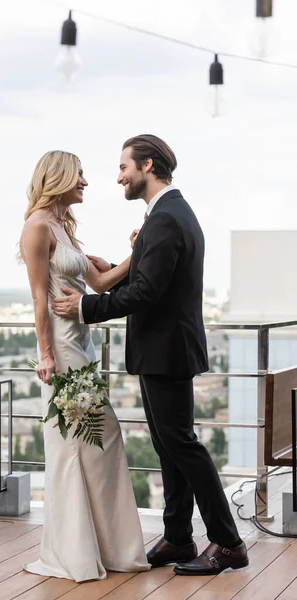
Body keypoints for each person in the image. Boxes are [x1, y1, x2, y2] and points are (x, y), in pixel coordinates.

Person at [52, 135, 249, 576]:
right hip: (162, 352)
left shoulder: (166, 219)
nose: (118, 176)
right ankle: (179, 537)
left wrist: (85, 307)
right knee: (168, 446)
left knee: (181, 443)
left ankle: (229, 542)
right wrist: (126, 258)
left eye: (123, 166)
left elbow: (146, 291)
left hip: (167, 353)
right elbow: (146, 278)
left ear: (146, 165)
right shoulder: (166, 216)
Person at [19, 150, 150, 582]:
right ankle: (73, 552)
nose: (87, 183)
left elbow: (97, 283)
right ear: (57, 177)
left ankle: (108, 548)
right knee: (77, 444)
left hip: (84, 344)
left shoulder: (64, 230)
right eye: (79, 175)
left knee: (99, 446)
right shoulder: (37, 227)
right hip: (61, 346)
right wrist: (45, 354)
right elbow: (40, 297)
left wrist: (135, 254)